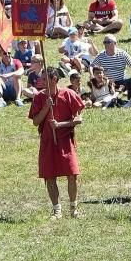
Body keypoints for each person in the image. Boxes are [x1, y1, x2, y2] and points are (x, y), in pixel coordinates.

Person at [28, 68, 85, 219]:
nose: (42, 82)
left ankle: (74, 209)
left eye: (45, 79)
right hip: (47, 141)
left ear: (54, 79)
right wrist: (47, 107)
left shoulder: (68, 94)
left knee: (72, 174)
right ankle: (57, 210)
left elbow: (78, 119)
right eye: (42, 79)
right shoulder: (39, 98)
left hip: (66, 140)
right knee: (49, 176)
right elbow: (35, 122)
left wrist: (60, 125)